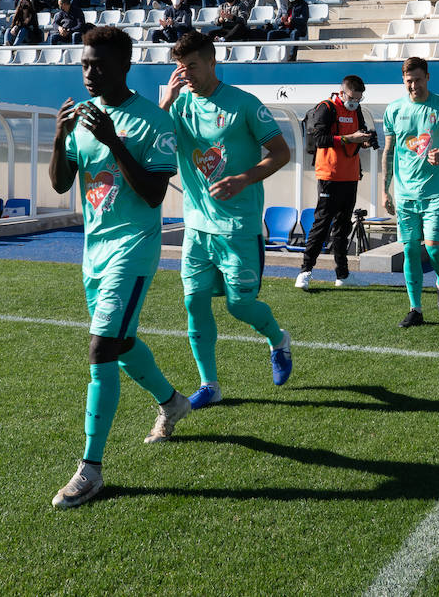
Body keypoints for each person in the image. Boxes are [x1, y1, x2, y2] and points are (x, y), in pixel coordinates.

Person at [48, 26, 191, 509]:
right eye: (85, 64)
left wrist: (113, 141)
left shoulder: (154, 121)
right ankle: (173, 402)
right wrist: (59, 138)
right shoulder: (84, 117)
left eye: (100, 65)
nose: (90, 73)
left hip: (134, 246)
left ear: (124, 66)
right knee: (122, 344)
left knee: (100, 347)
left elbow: (153, 195)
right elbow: (60, 182)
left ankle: (91, 469)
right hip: (94, 251)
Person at [160, 31, 294, 409]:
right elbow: (148, 143)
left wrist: (244, 178)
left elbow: (281, 153)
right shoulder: (178, 104)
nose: (185, 74)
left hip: (239, 227)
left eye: (192, 66)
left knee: (239, 305)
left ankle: (278, 339)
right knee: (194, 303)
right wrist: (165, 103)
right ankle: (210, 384)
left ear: (212, 62)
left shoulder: (244, 105)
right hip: (197, 227)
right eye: (179, 67)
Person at [382, 56, 439, 327]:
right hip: (405, 195)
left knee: (434, 249)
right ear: (403, 81)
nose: (413, 85)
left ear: (427, 77)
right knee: (409, 251)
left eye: (417, 79)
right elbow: (389, 151)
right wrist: (385, 190)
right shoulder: (394, 109)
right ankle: (415, 309)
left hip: (434, 193)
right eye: (408, 81)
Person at [296, 75, 377, 290]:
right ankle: (305, 271)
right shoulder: (327, 108)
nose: (354, 102)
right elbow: (320, 139)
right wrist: (349, 138)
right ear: (342, 93)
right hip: (329, 175)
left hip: (350, 176)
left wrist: (367, 140)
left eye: (359, 99)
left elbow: (359, 136)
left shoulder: (356, 110)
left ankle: (343, 274)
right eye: (352, 98)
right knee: (321, 224)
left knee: (343, 226)